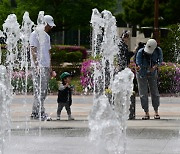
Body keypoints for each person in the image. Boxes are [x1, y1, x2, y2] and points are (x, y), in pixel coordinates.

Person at [29, 15, 56, 120]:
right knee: (39, 90)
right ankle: (38, 112)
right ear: (45, 23)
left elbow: (48, 53)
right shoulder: (34, 34)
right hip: (38, 67)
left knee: (43, 90)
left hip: (45, 66)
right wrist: (37, 65)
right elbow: (33, 50)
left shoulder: (47, 36)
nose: (51, 27)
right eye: (49, 25)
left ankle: (36, 111)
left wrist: (51, 69)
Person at [136, 39, 163, 120]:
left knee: (154, 92)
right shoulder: (141, 51)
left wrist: (155, 67)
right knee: (143, 93)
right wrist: (140, 67)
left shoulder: (158, 50)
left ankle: (156, 111)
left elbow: (160, 60)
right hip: (142, 73)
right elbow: (138, 63)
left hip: (153, 73)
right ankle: (146, 112)